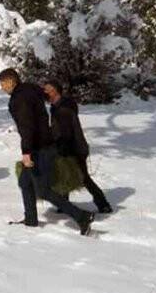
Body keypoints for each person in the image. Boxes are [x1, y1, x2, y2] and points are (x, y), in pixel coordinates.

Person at [0, 68, 93, 235]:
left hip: (39, 148)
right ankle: (31, 220)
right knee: (25, 182)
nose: (2, 87)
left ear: (11, 81)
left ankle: (82, 216)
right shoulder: (30, 90)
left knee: (43, 190)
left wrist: (26, 152)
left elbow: (27, 126)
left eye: (3, 83)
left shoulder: (19, 99)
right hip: (43, 144)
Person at [43, 80, 112, 214]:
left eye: (47, 89)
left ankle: (103, 204)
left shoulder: (63, 108)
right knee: (63, 174)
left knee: (83, 178)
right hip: (67, 146)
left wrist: (60, 146)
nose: (44, 92)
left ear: (54, 91)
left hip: (75, 148)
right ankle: (64, 204)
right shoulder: (56, 107)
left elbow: (66, 132)